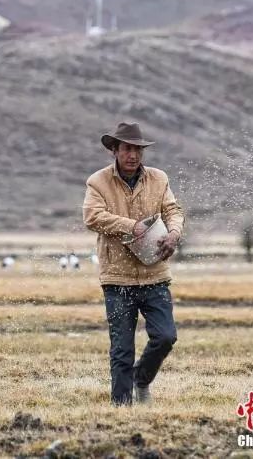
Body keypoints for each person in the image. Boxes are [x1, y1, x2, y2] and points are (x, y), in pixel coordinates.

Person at [83, 122, 185, 405]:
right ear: (114, 150)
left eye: (138, 149)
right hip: (117, 278)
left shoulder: (158, 179)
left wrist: (174, 233)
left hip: (155, 273)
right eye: (127, 149)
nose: (133, 155)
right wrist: (132, 226)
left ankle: (142, 379)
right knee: (122, 348)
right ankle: (121, 408)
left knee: (166, 337)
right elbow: (92, 217)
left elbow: (173, 211)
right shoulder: (97, 182)